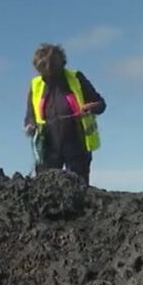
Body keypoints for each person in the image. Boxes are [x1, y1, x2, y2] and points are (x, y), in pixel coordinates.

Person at [24, 43, 106, 184]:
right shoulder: (36, 84)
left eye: (53, 73)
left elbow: (101, 104)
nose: (48, 78)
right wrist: (30, 125)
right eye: (44, 74)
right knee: (45, 189)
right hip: (48, 148)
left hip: (76, 145)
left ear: (61, 64)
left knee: (79, 189)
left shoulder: (76, 78)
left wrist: (91, 107)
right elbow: (30, 115)